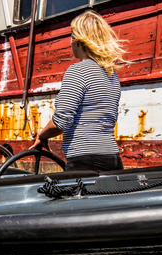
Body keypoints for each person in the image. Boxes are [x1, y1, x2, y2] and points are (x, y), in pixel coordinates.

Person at [29, 10, 128, 172]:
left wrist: (42, 136)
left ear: (79, 41)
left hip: (86, 161)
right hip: (113, 159)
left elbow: (62, 121)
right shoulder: (111, 74)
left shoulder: (78, 71)